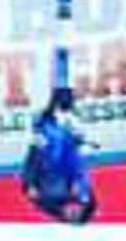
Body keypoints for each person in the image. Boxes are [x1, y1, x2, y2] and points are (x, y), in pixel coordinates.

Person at [21, 81, 96, 225]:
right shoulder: (46, 128)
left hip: (59, 175)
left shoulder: (69, 126)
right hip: (54, 175)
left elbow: (75, 162)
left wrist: (30, 184)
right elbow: (34, 158)